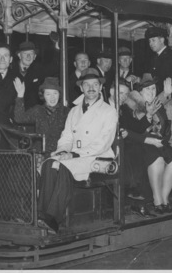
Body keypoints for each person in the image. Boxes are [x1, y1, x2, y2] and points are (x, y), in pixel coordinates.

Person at [37, 68, 118, 232]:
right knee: (49, 164)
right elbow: (67, 136)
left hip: (99, 157)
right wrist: (62, 151)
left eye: (95, 84)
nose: (91, 88)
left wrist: (73, 154)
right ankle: (41, 215)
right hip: (76, 156)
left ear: (100, 87)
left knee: (64, 167)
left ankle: (53, 218)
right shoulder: (74, 111)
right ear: (81, 88)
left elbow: (103, 143)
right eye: (87, 85)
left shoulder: (108, 111)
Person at [121, 73, 172, 214]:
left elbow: (165, 126)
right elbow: (134, 130)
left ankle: (164, 198)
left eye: (154, 89)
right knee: (157, 159)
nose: (152, 92)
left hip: (157, 140)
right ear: (140, 92)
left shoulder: (157, 105)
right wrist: (148, 115)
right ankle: (157, 200)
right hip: (139, 142)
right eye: (148, 89)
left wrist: (162, 136)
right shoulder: (129, 106)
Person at [13, 77, 69, 153]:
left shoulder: (66, 112)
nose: (52, 97)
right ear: (43, 95)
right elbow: (19, 118)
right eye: (48, 94)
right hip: (41, 153)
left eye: (55, 93)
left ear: (59, 94)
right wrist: (20, 95)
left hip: (60, 152)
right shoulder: (38, 110)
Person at [11, 41, 46, 110]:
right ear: (19, 55)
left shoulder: (39, 71)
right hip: (13, 114)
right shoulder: (10, 70)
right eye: (25, 53)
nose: (28, 56)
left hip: (32, 115)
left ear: (35, 56)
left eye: (31, 53)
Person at [146, 26, 172, 93]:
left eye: (153, 40)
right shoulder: (153, 57)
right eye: (149, 41)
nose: (150, 44)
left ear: (162, 40)